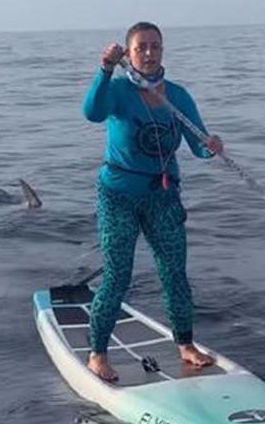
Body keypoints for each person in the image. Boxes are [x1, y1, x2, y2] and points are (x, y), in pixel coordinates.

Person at [80, 21, 224, 383]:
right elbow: (92, 113)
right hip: (118, 196)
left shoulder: (177, 96)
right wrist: (104, 69)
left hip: (163, 197)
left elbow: (197, 145)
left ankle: (186, 345)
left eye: (155, 46)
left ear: (162, 51)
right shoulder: (115, 91)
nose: (148, 53)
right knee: (117, 275)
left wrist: (211, 148)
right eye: (141, 47)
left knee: (175, 273)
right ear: (129, 53)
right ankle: (97, 353)